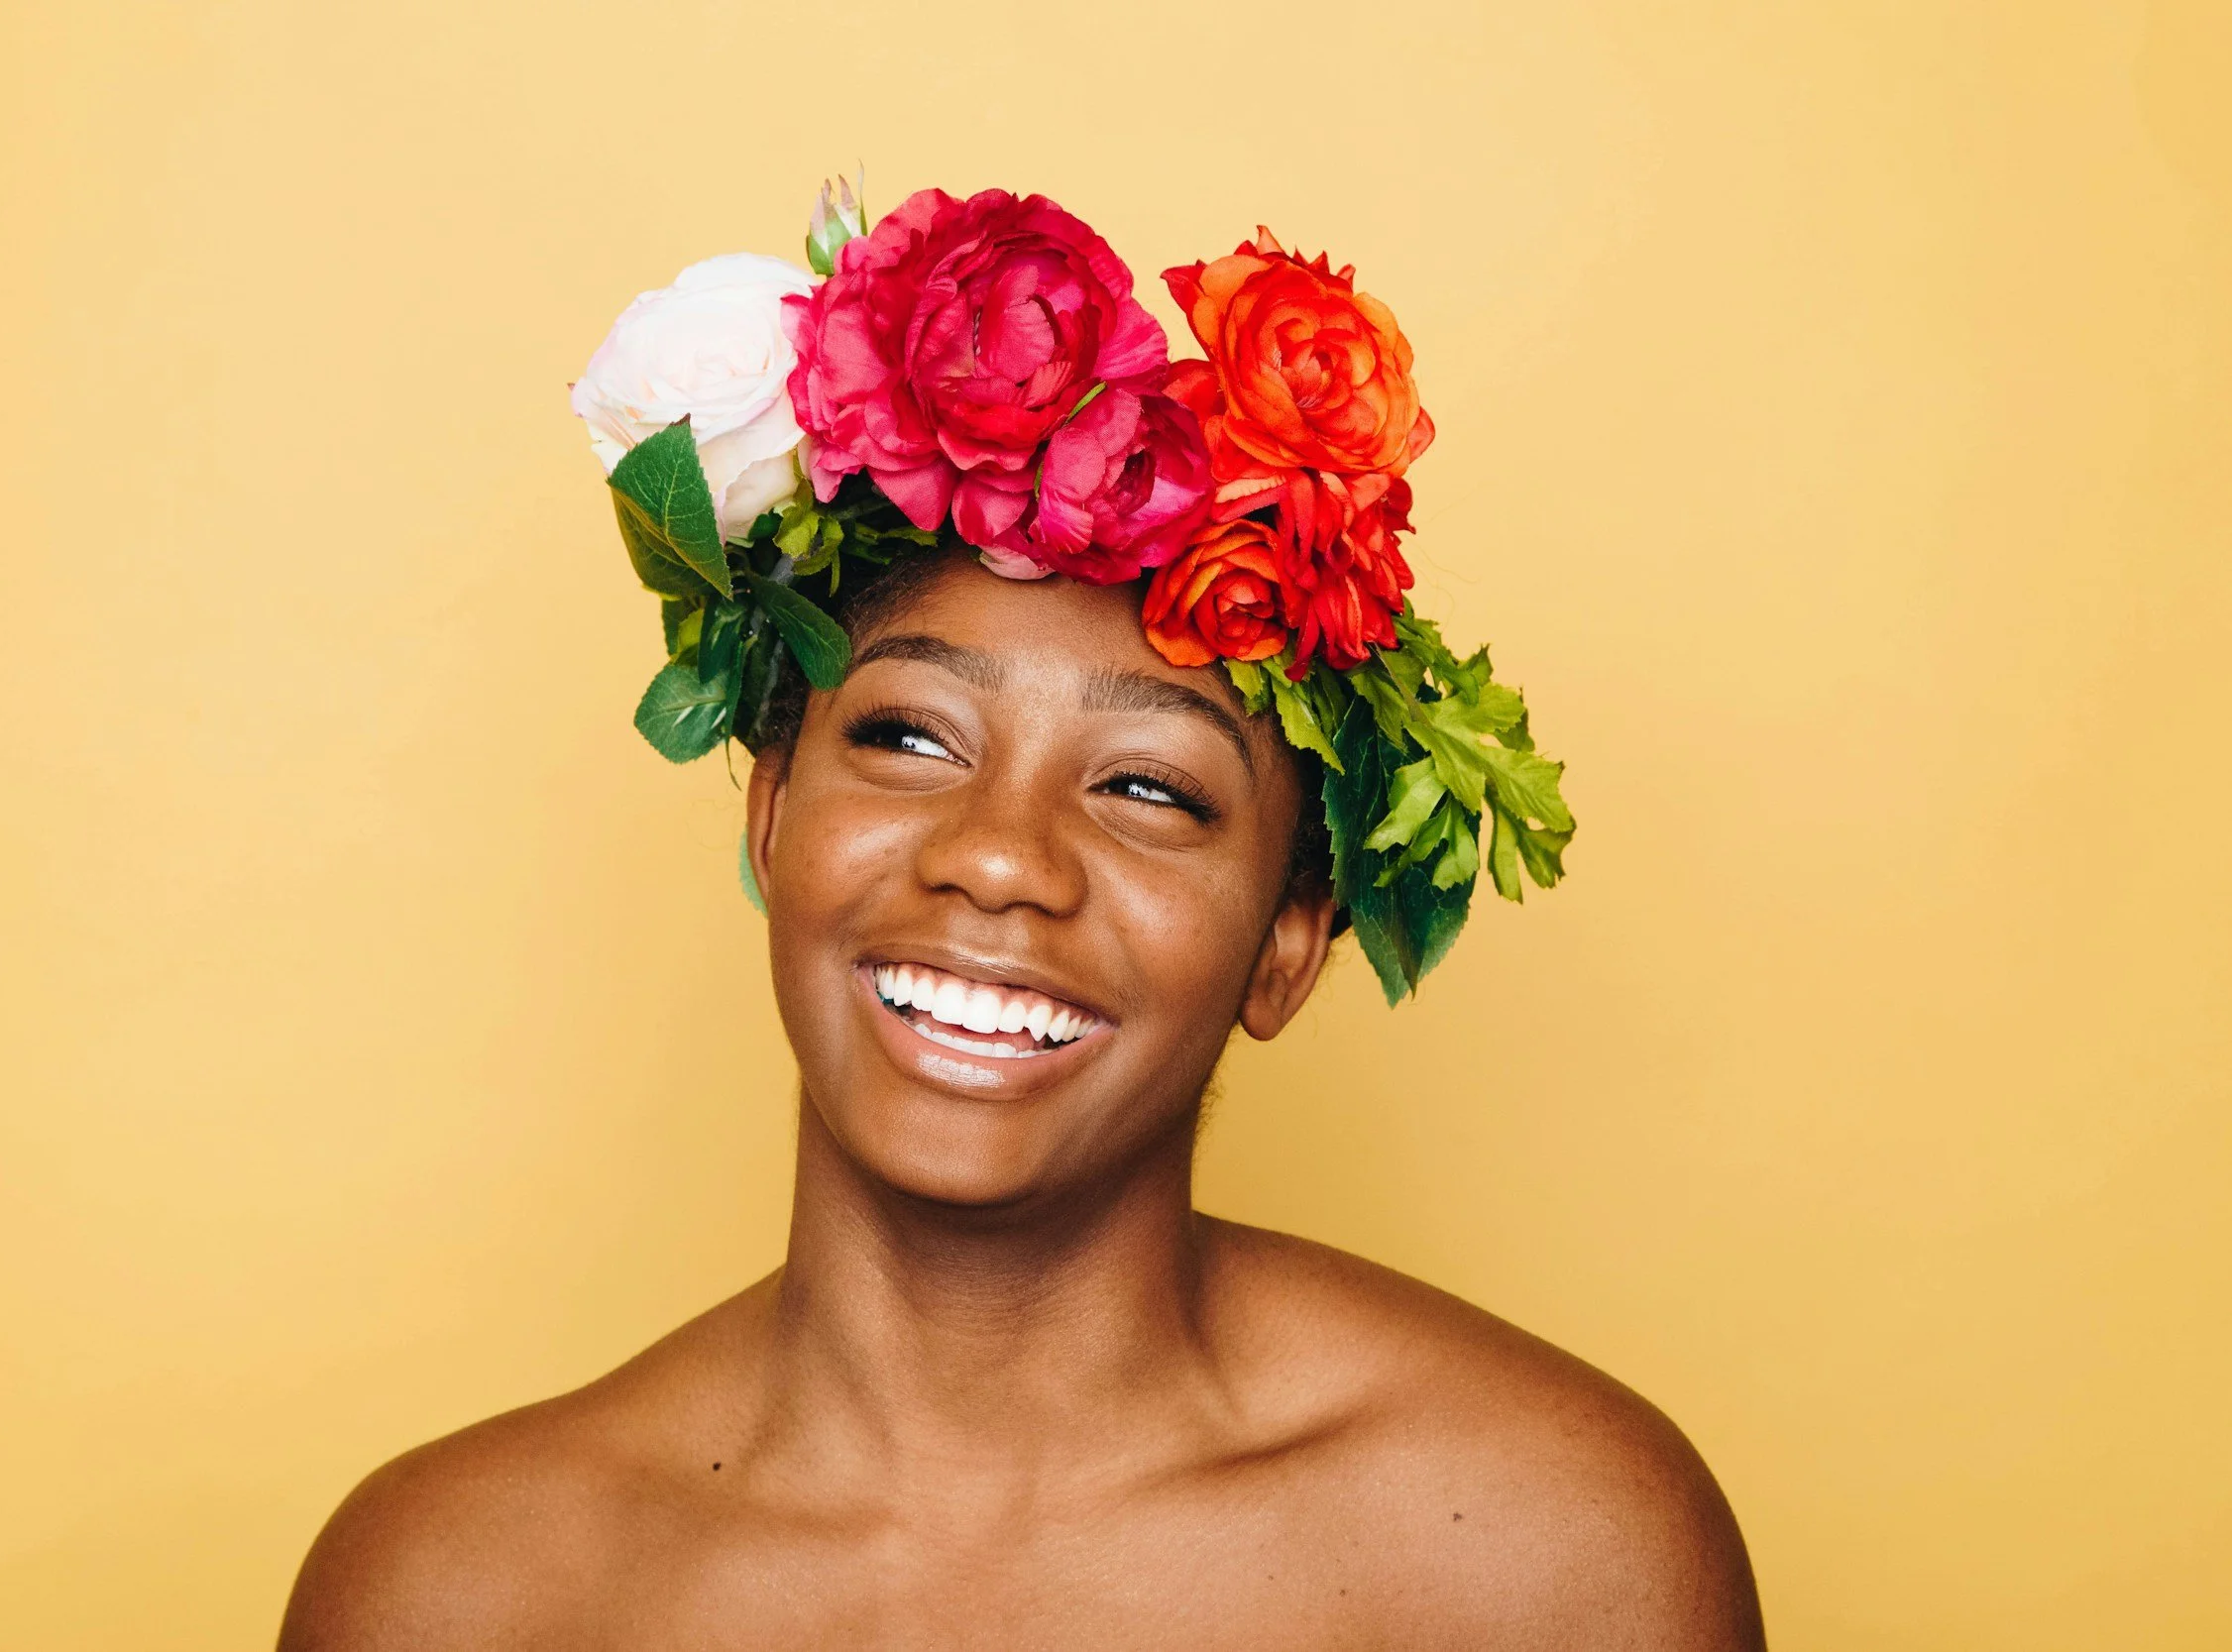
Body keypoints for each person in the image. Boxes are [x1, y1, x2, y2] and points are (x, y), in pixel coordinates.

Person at [279, 182, 1763, 1649]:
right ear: (772, 809)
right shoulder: (454, 1591)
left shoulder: (1551, 1551)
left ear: (1291, 939)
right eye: (912, 738)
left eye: (1150, 789)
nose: (1000, 859)